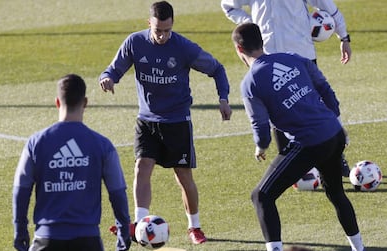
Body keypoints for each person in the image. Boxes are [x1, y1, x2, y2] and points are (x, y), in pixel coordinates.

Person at [99, 0, 232, 245]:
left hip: (177, 122)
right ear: (148, 23)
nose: (162, 36)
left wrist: (223, 99)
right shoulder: (135, 42)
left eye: (167, 30)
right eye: (158, 30)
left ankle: (195, 227)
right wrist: (107, 78)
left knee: (183, 176)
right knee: (142, 167)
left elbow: (217, 69)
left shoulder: (183, 47)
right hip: (147, 120)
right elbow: (113, 69)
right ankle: (139, 224)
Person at [232, 23, 364, 251]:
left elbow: (260, 125)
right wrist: (332, 118)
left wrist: (261, 147)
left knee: (261, 196)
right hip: (334, 133)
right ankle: (359, 248)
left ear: (239, 49)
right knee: (335, 192)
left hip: (310, 142)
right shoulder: (292, 58)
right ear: (262, 42)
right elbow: (325, 88)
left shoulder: (250, 82)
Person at [221, 0, 352, 177]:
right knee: (277, 109)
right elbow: (228, 6)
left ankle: (336, 157)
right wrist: (250, 23)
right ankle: (293, 164)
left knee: (317, 103)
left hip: (300, 54)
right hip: (267, 57)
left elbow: (327, 6)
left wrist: (343, 36)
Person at [12, 74, 131, 251]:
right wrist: (124, 232)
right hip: (88, 240)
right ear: (85, 102)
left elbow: (21, 190)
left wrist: (20, 230)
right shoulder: (102, 145)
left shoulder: (36, 143)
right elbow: (117, 192)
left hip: (46, 239)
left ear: (57, 102)